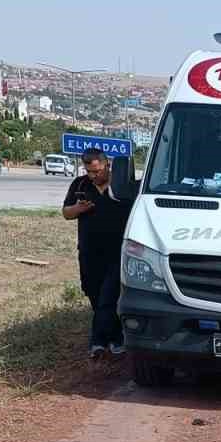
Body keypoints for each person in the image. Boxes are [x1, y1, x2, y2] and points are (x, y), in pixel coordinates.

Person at [62, 148, 137, 358]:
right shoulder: (80, 185)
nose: (93, 176)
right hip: (88, 253)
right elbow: (66, 213)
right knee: (93, 295)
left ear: (107, 165)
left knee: (108, 298)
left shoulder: (122, 186)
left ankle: (99, 342)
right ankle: (112, 337)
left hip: (117, 254)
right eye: (89, 171)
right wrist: (78, 209)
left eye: (97, 171)